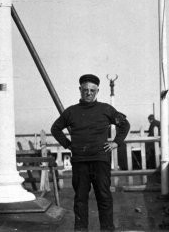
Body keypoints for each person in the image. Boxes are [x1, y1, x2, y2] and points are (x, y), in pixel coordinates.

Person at [51, 74, 130, 232]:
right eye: (85, 90)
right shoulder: (71, 112)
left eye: (92, 90)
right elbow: (55, 129)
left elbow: (125, 124)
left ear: (97, 91)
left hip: (100, 161)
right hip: (80, 162)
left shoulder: (106, 109)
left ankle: (107, 229)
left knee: (104, 196)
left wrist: (116, 142)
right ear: (80, 90)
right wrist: (68, 144)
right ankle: (80, 229)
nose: (89, 93)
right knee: (80, 199)